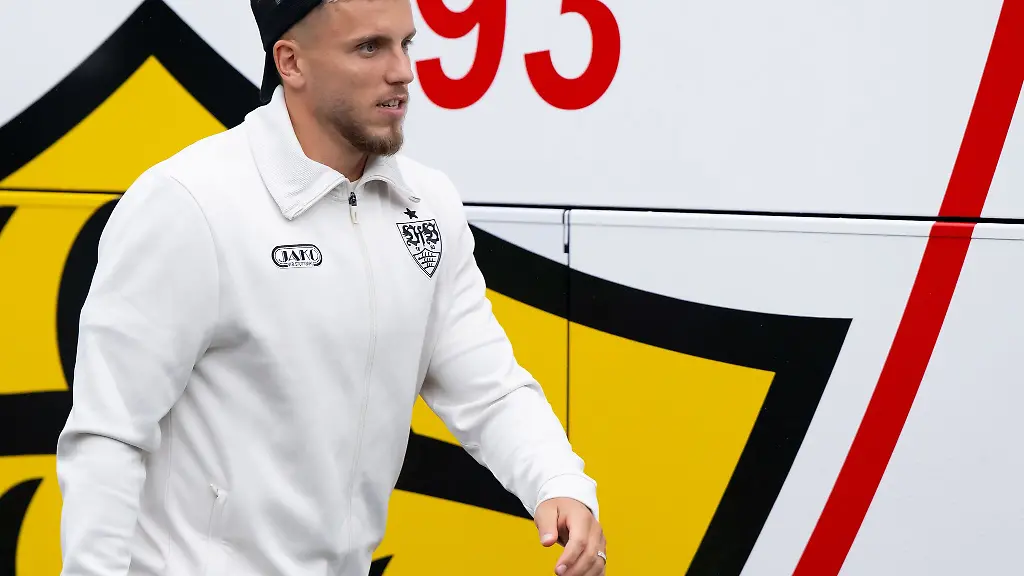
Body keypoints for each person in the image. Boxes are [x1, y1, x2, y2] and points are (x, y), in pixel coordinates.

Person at [55, 0, 606, 575]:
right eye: (369, 47)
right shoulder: (189, 203)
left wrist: (558, 481)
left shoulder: (428, 205)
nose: (402, 72)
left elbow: (489, 389)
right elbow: (108, 435)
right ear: (290, 62)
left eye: (405, 44)